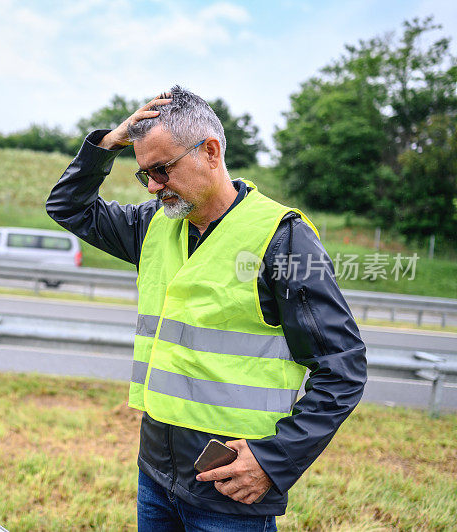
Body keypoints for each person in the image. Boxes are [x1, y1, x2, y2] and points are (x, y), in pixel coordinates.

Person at [46, 86, 367, 531]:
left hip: (231, 488)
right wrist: (107, 145)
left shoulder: (282, 237)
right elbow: (67, 206)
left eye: (161, 169)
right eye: (144, 175)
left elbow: (342, 368)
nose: (154, 186)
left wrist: (273, 461)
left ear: (210, 152)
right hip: (156, 474)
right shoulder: (154, 224)